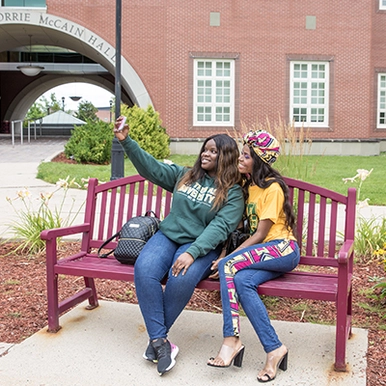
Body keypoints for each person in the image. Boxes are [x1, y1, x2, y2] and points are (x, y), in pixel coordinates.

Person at [113, 116, 245, 376]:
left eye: (213, 151)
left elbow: (219, 228)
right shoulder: (185, 176)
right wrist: (126, 141)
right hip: (168, 236)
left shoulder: (233, 192)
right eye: (205, 149)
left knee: (180, 279)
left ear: (226, 157)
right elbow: (151, 168)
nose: (205, 154)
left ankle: (156, 342)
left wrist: (191, 252)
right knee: (145, 269)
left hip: (200, 246)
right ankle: (161, 342)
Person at [207, 129, 300, 383]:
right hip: (263, 255)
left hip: (283, 250)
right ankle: (274, 349)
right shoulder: (249, 186)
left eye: (246, 156)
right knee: (242, 281)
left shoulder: (273, 189)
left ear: (258, 161)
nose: (241, 158)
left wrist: (228, 259)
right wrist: (226, 252)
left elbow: (260, 235)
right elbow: (238, 228)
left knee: (229, 268)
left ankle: (231, 339)